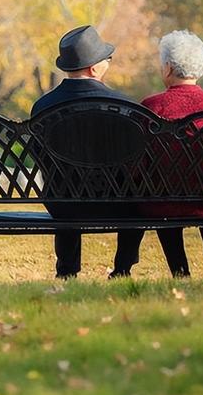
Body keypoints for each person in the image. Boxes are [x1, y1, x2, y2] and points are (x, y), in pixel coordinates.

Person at [111, 30, 203, 279]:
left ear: (167, 68)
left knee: (161, 191)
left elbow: (138, 162)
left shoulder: (151, 107)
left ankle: (180, 272)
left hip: (163, 201)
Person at [31, 24, 134, 278]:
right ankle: (122, 268)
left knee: (65, 185)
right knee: (137, 198)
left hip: (63, 204)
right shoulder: (123, 104)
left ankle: (67, 269)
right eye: (106, 59)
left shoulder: (43, 106)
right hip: (117, 202)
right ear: (95, 67)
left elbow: (40, 157)